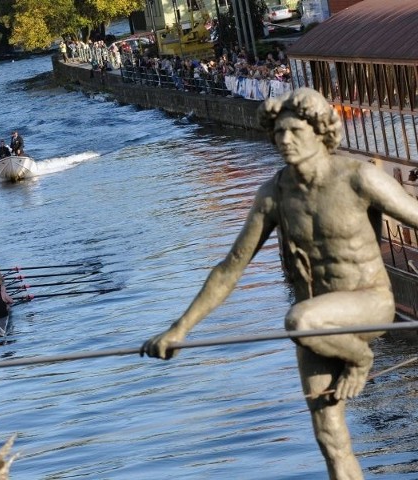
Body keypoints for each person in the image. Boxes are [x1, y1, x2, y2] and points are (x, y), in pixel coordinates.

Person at [140, 87, 418, 479]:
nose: (284, 141)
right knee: (330, 438)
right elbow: (229, 268)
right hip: (315, 323)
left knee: (298, 320)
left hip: (366, 304)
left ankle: (361, 357)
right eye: (278, 134)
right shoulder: (273, 194)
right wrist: (179, 329)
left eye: (294, 132)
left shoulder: (358, 178)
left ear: (321, 132)